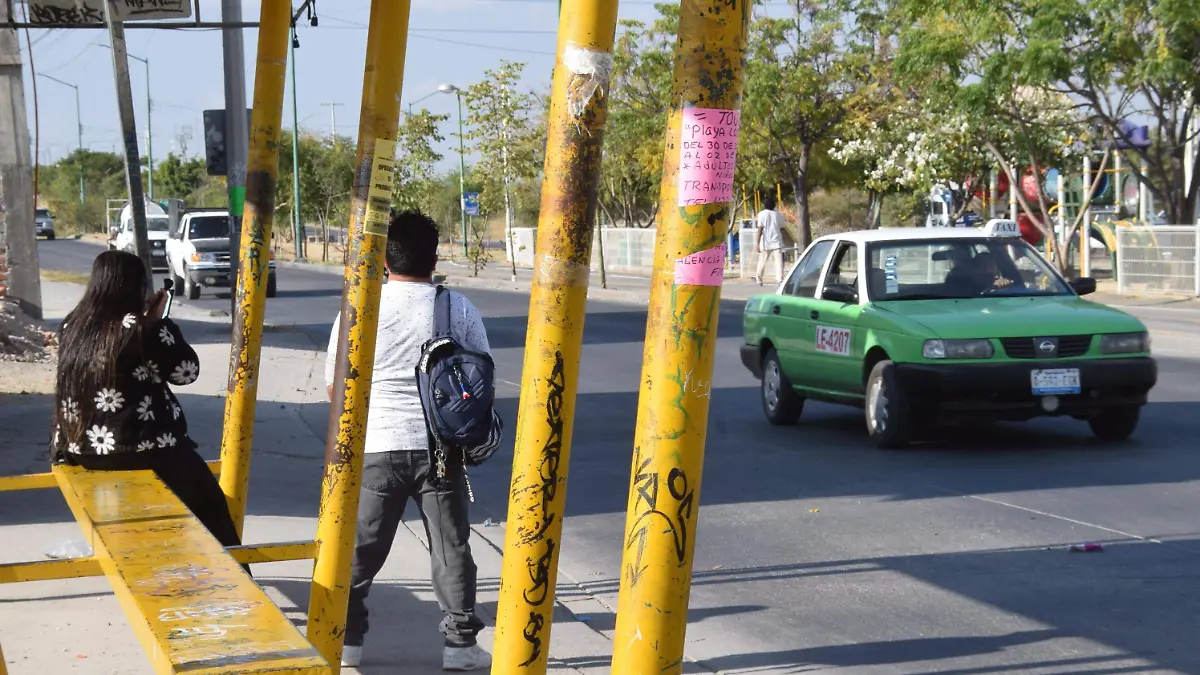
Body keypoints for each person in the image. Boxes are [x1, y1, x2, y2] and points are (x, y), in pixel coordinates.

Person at [325, 210, 491, 671]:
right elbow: (480, 379)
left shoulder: (360, 308)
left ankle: (348, 642)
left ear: (384, 258)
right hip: (439, 449)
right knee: (450, 546)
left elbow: (334, 386)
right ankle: (460, 647)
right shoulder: (456, 308)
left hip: (377, 445)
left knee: (360, 548)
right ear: (435, 258)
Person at [51, 250, 241, 549]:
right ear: (137, 286)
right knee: (211, 505)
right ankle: (237, 577)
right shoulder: (138, 327)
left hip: (81, 450)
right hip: (139, 449)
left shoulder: (73, 324)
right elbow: (185, 372)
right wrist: (158, 324)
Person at [753, 194, 785, 285]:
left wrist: (757, 243)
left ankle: (759, 279)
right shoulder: (778, 214)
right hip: (777, 241)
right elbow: (782, 228)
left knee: (762, 261)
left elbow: (760, 229)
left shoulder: (761, 214)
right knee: (778, 262)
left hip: (765, 242)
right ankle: (779, 279)